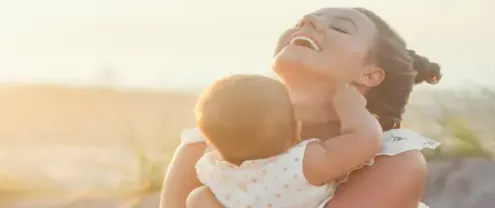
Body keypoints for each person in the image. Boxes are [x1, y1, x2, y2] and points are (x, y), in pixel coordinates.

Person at [160, 7, 442, 208]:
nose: (308, 21)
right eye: (301, 21)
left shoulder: (395, 161)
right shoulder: (205, 146)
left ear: (370, 75)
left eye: (340, 27)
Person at [188, 74, 382, 207]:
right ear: (295, 127)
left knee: (197, 198)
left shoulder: (216, 171)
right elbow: (365, 141)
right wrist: (351, 107)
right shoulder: (303, 164)